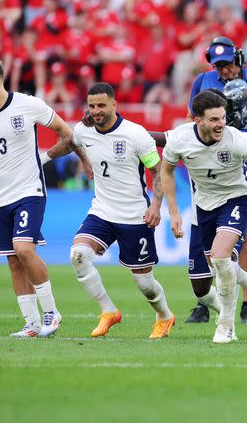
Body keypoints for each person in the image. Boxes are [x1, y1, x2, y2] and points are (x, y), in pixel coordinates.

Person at [0, 58, 91, 337]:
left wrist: (55, 157)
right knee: (13, 260)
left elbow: (67, 132)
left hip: (29, 191)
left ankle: (51, 313)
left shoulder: (29, 104)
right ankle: (32, 324)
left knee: (24, 249)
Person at [45, 82, 174, 339]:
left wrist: (156, 205)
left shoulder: (136, 135)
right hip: (102, 211)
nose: (96, 110)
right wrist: (44, 158)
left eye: (102, 105)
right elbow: (71, 142)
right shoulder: (84, 130)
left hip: (135, 214)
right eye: (92, 106)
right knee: (78, 255)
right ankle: (108, 311)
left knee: (145, 284)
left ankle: (164, 315)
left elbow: (158, 172)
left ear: (114, 104)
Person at [160, 90, 247, 343]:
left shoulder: (237, 139)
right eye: (214, 120)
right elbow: (166, 171)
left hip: (236, 198)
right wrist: (173, 212)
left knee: (221, 258)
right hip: (204, 206)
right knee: (216, 269)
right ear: (197, 121)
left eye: (223, 118)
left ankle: (226, 326)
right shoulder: (180, 139)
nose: (221, 124)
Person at [185, 37, 247, 324]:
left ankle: (245, 304)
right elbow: (190, 118)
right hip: (206, 164)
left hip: (241, 159)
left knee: (242, 240)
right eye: (218, 66)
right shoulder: (203, 80)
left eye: (227, 64)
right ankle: (206, 302)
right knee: (205, 239)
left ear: (238, 59)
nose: (223, 71)